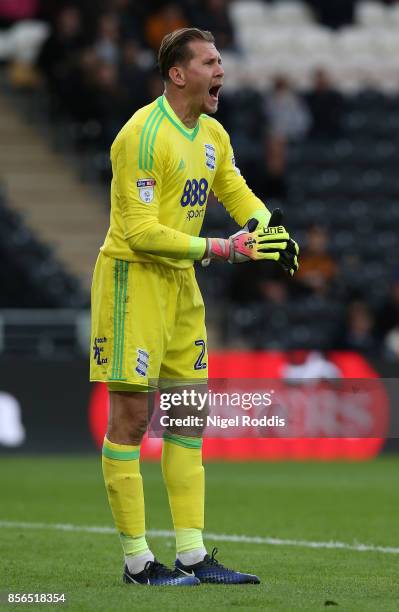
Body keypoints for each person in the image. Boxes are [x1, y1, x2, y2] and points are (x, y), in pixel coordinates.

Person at [90, 27, 298, 587]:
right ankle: (137, 563)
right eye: (209, 61)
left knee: (187, 417)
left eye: (220, 60)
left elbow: (233, 188)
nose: (220, 70)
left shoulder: (212, 133)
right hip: (134, 282)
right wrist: (220, 247)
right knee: (132, 419)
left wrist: (267, 228)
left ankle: (191, 555)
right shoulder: (141, 134)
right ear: (178, 73)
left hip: (182, 285)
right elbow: (138, 230)